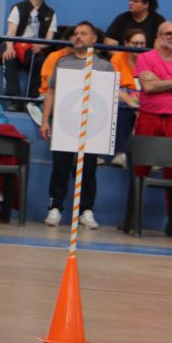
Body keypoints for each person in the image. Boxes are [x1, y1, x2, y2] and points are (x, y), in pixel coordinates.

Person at [39, 21, 113, 230]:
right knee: (60, 166)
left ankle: (86, 210)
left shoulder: (105, 66)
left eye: (84, 33)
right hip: (64, 124)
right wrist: (46, 120)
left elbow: (108, 98)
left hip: (92, 127)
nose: (78, 36)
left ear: (94, 39)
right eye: (76, 33)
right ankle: (55, 207)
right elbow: (51, 92)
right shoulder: (62, 63)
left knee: (88, 169)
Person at [131, 21, 172, 236]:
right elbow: (148, 87)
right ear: (158, 36)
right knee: (140, 168)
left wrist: (160, 81)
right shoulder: (146, 58)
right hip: (148, 117)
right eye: (168, 33)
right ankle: (133, 218)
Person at [2, 0, 57, 109]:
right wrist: (9, 47)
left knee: (40, 61)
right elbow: (11, 33)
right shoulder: (18, 8)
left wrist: (42, 46)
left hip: (36, 50)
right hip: (17, 47)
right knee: (9, 56)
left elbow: (49, 39)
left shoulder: (51, 13)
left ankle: (32, 99)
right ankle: (15, 100)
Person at [107, 28, 149, 167]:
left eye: (142, 44)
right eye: (135, 43)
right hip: (123, 97)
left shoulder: (149, 59)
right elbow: (114, 86)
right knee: (122, 109)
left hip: (145, 96)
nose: (139, 47)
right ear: (126, 43)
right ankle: (121, 153)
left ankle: (152, 156)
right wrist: (131, 103)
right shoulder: (117, 58)